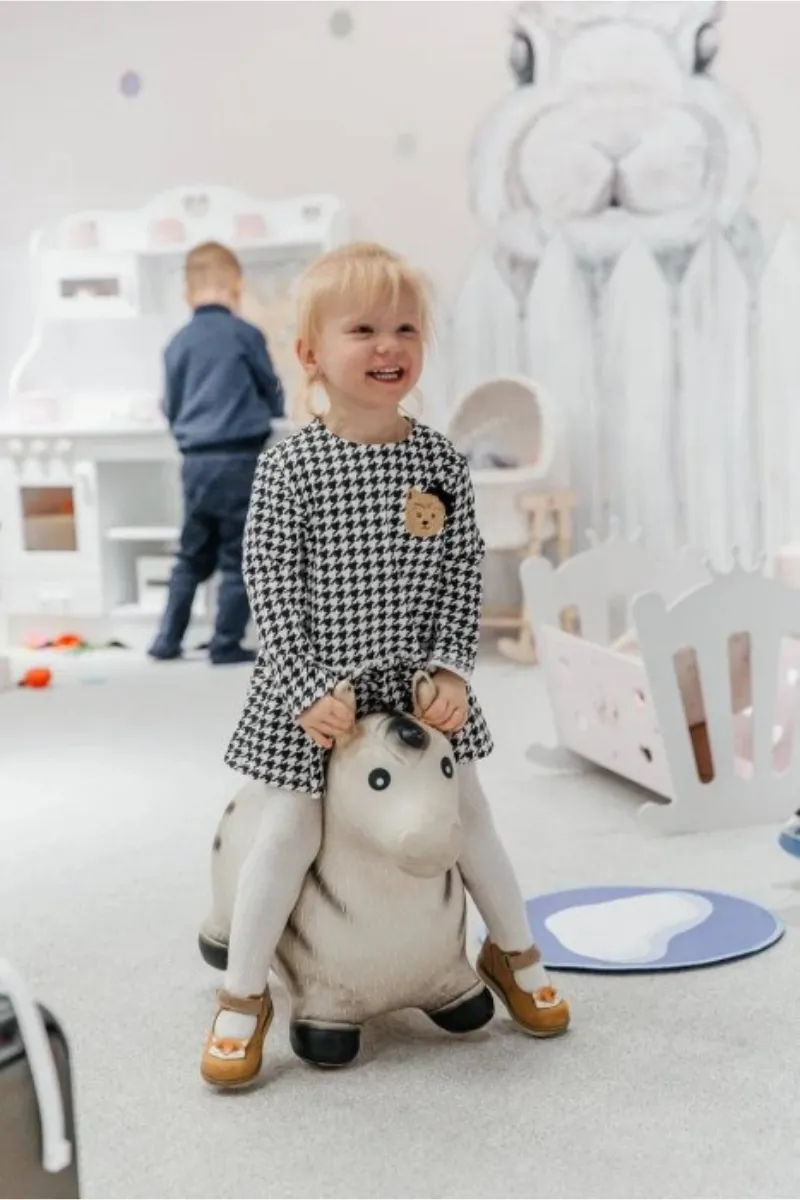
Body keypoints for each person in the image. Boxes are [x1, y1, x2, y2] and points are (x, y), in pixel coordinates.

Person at [201, 242, 570, 1087]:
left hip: (412, 682)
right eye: (363, 329)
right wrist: (305, 688)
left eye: (405, 329)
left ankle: (513, 951)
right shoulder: (290, 465)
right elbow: (269, 584)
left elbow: (461, 571)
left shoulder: (438, 460)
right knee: (287, 832)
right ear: (311, 354)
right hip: (314, 687)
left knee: (470, 813)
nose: (388, 346)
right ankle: (244, 991)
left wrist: (450, 669)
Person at [149, 241, 285, 665]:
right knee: (238, 554)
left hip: (195, 462)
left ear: (187, 293)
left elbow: (170, 406)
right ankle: (225, 643)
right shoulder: (245, 335)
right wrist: (273, 412)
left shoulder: (177, 343)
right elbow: (271, 390)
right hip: (240, 458)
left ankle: (166, 640)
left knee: (191, 553)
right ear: (237, 288)